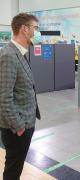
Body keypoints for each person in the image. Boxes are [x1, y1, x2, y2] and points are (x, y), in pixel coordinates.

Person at [0, 13, 41, 180]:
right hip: (17, 128)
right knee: (13, 169)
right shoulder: (9, 55)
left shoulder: (20, 53)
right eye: (35, 28)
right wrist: (19, 126)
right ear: (24, 29)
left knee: (16, 167)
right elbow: (4, 97)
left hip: (25, 122)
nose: (37, 33)